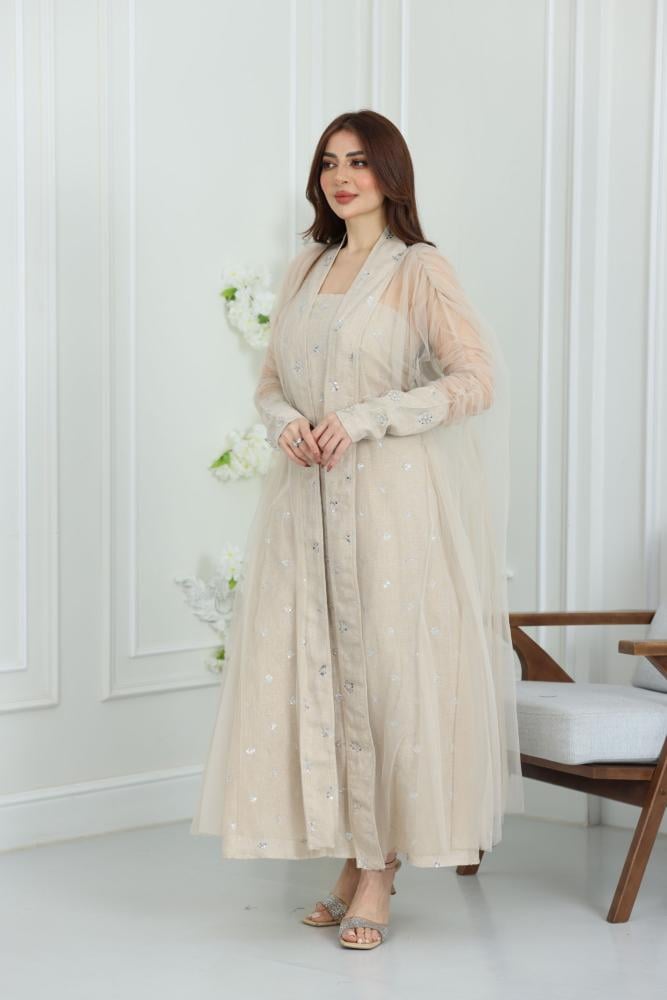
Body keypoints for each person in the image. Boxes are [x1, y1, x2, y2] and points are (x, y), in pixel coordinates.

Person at [191, 109, 524, 951]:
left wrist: (367, 417)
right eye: (329, 163)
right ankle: (352, 856)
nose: (342, 177)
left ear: (389, 174)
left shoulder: (419, 269)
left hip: (391, 507)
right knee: (321, 675)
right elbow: (271, 381)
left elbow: (475, 380)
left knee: (385, 680)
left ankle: (379, 868)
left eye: (359, 162)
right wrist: (284, 424)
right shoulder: (305, 266)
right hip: (304, 505)